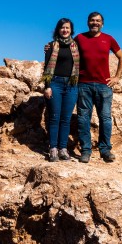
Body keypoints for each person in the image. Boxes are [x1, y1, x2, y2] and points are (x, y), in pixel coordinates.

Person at [74, 12, 122, 163]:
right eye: (92, 20)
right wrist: (50, 47)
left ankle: (105, 150)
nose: (95, 23)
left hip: (104, 85)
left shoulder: (108, 39)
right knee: (83, 119)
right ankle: (86, 151)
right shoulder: (79, 38)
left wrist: (117, 77)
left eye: (98, 21)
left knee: (105, 119)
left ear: (102, 24)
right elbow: (66, 51)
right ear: (88, 22)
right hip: (83, 85)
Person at [41, 18, 80, 162]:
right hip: (55, 83)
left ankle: (63, 149)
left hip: (72, 84)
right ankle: (53, 149)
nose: (65, 30)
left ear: (71, 30)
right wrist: (47, 86)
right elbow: (46, 68)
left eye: (68, 28)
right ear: (58, 29)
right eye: (62, 28)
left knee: (66, 119)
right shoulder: (51, 46)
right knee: (54, 118)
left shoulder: (76, 46)